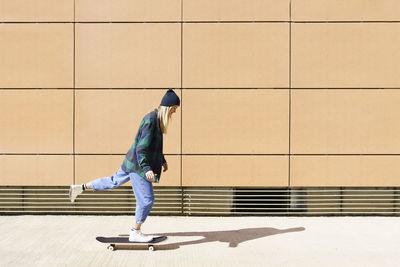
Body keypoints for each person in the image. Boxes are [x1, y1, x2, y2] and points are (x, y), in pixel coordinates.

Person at [69, 89, 180, 242]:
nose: (174, 112)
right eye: (174, 108)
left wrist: (162, 160)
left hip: (131, 161)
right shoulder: (152, 120)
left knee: (112, 181)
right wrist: (147, 168)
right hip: (138, 166)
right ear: (167, 107)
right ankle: (135, 231)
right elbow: (142, 148)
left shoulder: (156, 120)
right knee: (146, 200)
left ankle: (79, 187)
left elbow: (153, 145)